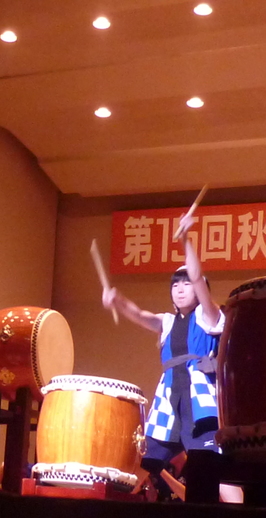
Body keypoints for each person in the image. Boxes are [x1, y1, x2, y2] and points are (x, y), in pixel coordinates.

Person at [102, 213, 241, 503]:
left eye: (186, 283)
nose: (180, 288)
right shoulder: (166, 322)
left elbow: (199, 281)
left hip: (200, 400)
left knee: (205, 467)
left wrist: (185, 240)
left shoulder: (208, 316)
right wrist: (117, 300)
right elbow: (140, 316)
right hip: (169, 399)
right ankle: (114, 503)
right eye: (175, 285)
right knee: (144, 462)